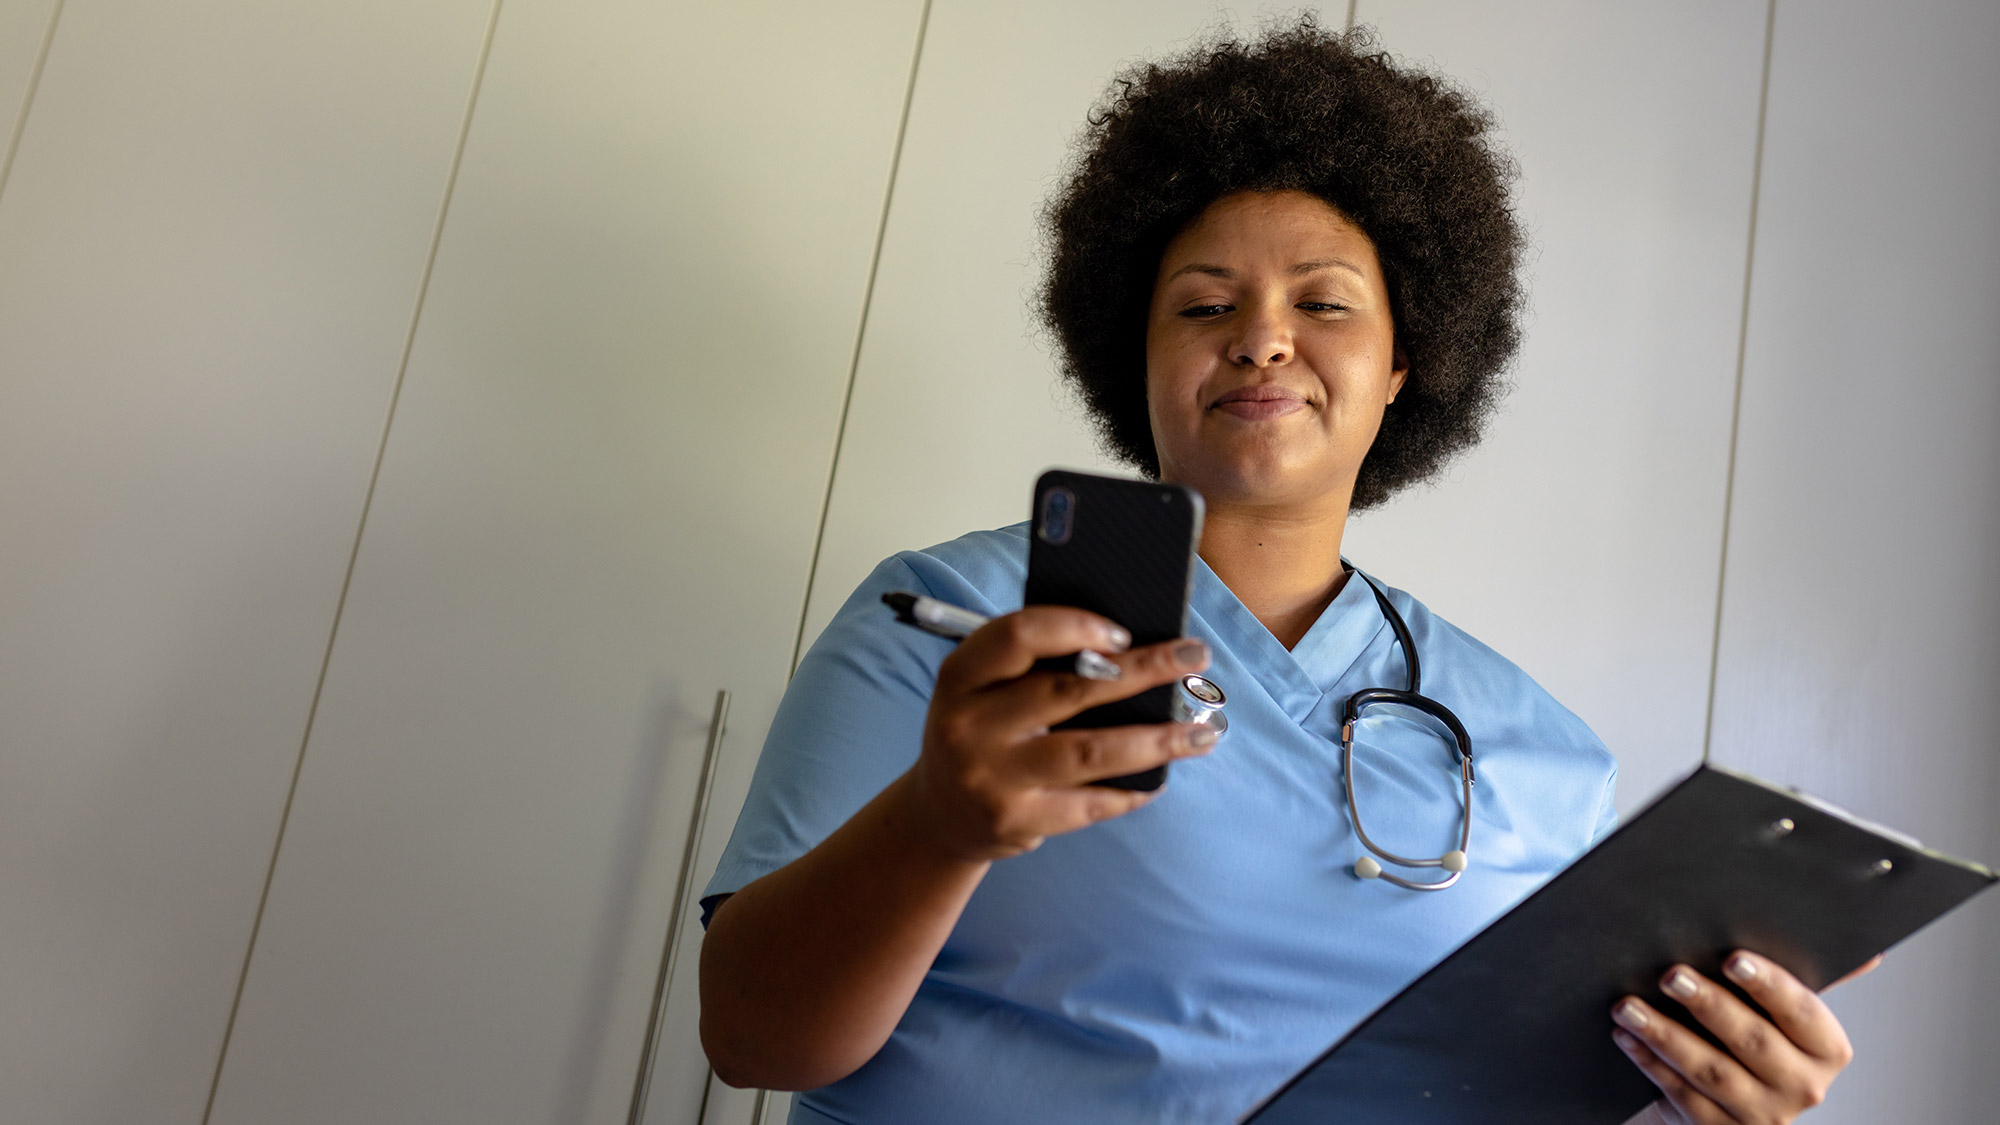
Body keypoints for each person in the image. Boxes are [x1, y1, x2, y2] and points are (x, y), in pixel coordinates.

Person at [698, 20, 1862, 1125]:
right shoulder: (948, 624)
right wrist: (936, 831)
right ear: (1135, 357)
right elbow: (749, 1038)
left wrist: (1701, 1091)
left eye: (1321, 302)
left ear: (1404, 361)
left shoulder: (1547, 763)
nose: (1260, 338)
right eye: (1204, 304)